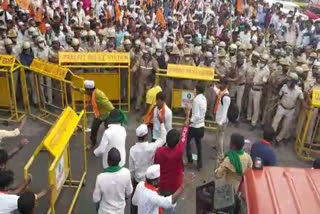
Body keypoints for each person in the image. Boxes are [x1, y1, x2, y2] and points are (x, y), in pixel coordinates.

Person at [154, 106, 190, 214]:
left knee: (160, 204)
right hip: (175, 185)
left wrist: (161, 123)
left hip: (161, 185)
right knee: (171, 205)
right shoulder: (179, 150)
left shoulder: (159, 151)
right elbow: (185, 131)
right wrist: (188, 115)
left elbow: (155, 165)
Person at [129, 119, 167, 214]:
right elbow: (163, 138)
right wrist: (162, 123)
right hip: (149, 181)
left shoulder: (132, 150)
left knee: (134, 204)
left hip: (137, 182)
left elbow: (131, 170)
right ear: (146, 136)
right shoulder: (151, 147)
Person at [73, 80, 114, 149]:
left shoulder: (99, 94)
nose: (86, 91)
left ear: (89, 89)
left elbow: (108, 104)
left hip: (107, 115)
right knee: (94, 129)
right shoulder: (91, 92)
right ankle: (92, 142)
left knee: (108, 130)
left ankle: (110, 143)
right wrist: (76, 88)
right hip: (98, 115)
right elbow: (84, 91)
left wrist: (116, 112)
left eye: (86, 89)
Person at [93, 148, 133, 214]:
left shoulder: (100, 178)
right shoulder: (126, 173)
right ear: (120, 160)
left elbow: (96, 198)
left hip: (104, 211)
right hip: (120, 210)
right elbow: (129, 192)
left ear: (108, 161)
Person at [272, 72, 306, 145]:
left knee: (285, 126)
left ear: (294, 82)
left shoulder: (298, 91)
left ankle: (278, 139)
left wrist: (307, 107)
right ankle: (271, 136)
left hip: (290, 110)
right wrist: (274, 99)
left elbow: (302, 101)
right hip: (281, 107)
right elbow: (279, 96)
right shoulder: (284, 87)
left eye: (289, 81)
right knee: (275, 123)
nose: (287, 82)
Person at [186, 83, 207, 170]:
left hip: (194, 126)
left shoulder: (196, 100)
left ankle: (190, 160)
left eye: (194, 89)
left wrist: (189, 121)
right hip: (201, 126)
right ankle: (199, 164)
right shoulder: (204, 99)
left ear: (197, 90)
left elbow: (196, 115)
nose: (194, 91)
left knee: (187, 143)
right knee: (199, 145)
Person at [212, 78, 231, 160]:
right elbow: (216, 90)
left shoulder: (226, 97)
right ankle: (216, 147)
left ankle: (221, 154)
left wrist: (221, 122)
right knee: (217, 135)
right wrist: (213, 86)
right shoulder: (221, 92)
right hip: (218, 118)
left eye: (222, 84)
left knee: (221, 137)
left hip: (222, 121)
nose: (220, 85)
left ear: (226, 85)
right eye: (220, 83)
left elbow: (225, 112)